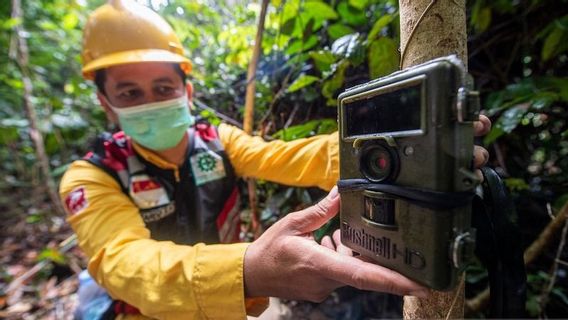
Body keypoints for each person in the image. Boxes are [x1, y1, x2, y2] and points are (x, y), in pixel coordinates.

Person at [59, 0, 491, 319]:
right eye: (130, 93)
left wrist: (397, 153)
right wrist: (249, 271)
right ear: (107, 104)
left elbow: (286, 157)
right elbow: (125, 264)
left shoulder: (217, 142)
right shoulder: (91, 176)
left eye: (162, 87)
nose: (150, 100)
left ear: (185, 92)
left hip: (229, 307)